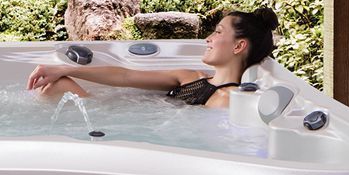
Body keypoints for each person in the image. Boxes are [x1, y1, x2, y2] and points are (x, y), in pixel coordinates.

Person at [25, 8, 279, 109]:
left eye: (218, 32)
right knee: (59, 82)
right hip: (122, 120)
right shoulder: (191, 76)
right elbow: (125, 76)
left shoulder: (225, 99)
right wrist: (63, 68)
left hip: (131, 133)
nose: (209, 39)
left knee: (59, 87)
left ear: (239, 46)